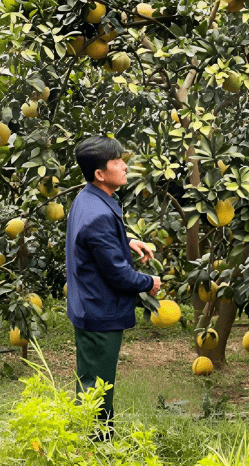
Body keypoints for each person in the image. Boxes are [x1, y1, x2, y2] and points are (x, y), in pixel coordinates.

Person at [66, 136, 161, 437]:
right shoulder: (98, 215)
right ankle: (99, 445)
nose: (124, 165)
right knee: (99, 389)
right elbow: (119, 276)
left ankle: (85, 440)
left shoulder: (88, 198)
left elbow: (94, 245)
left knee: (91, 382)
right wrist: (150, 282)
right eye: (116, 162)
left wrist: (126, 241)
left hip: (87, 304)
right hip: (100, 312)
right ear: (100, 174)